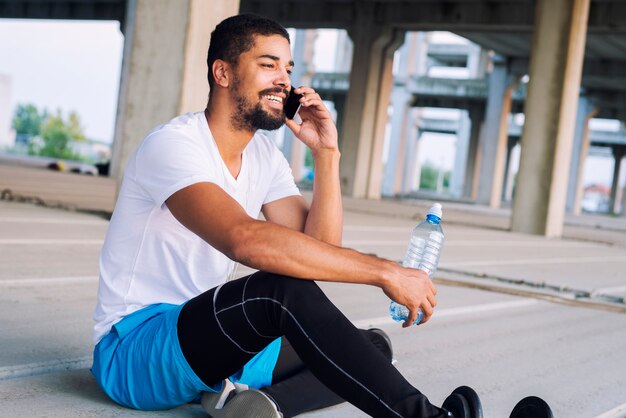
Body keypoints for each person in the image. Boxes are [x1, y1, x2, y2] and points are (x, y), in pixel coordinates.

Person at [91, 13, 482, 418]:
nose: (284, 79)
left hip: (208, 346)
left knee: (371, 348)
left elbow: (317, 252)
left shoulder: (263, 155)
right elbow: (244, 239)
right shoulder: (174, 146)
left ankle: (264, 407)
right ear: (222, 73)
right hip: (136, 353)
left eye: (288, 68)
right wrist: (386, 271)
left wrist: (326, 155)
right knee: (276, 292)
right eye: (268, 65)